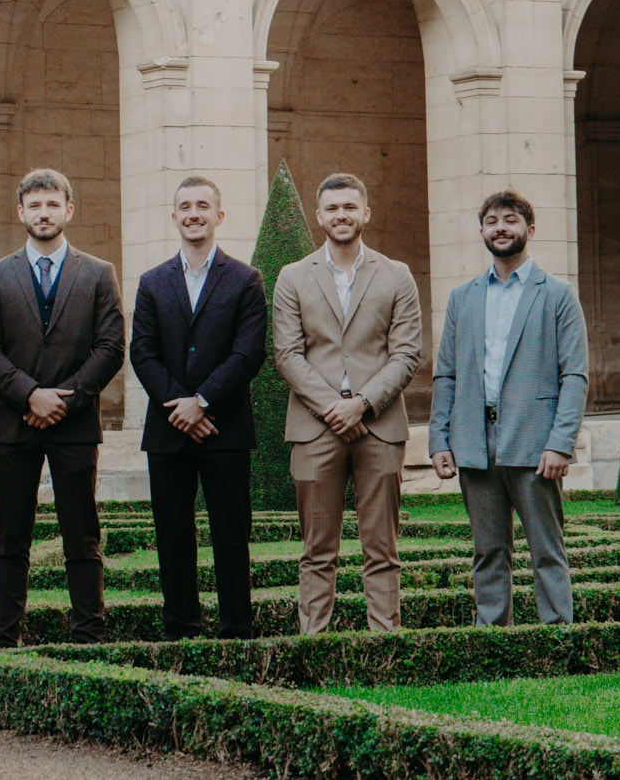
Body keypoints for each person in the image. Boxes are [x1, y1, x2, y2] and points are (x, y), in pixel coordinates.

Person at [0, 168, 125, 646]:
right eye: (34, 205)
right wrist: (28, 394)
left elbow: (111, 346)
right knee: (9, 539)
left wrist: (66, 399)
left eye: (52, 204)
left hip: (74, 424)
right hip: (13, 423)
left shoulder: (98, 273)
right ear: (21, 212)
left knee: (82, 537)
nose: (43, 213)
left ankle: (88, 637)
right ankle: (2, 639)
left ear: (68, 210)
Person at [271, 171, 423, 634]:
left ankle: (385, 644)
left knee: (383, 549)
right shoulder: (293, 276)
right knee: (317, 551)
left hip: (378, 426)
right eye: (333, 209)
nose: (342, 215)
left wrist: (362, 404)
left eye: (349, 207)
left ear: (365, 213)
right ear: (319, 217)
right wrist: (333, 407)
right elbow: (287, 353)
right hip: (315, 428)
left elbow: (407, 353)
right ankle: (313, 644)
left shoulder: (396, 275)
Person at [429, 189, 590, 626]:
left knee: (547, 552)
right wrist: (439, 439)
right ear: (481, 231)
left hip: (536, 445)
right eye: (492, 221)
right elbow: (446, 374)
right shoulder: (463, 297)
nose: (501, 228)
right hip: (475, 444)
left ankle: (558, 638)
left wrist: (561, 443)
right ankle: (492, 640)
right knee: (487, 552)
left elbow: (574, 375)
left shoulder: (557, 294)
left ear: (529, 230)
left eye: (511, 220)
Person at [128, 175, 269, 640]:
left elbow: (249, 352)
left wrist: (203, 401)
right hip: (168, 431)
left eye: (203, 206)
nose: (194, 213)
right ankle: (181, 629)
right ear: (174, 216)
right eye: (185, 206)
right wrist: (180, 407)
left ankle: (236, 631)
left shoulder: (246, 279)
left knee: (231, 536)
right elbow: (142, 352)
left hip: (225, 428)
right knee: (172, 537)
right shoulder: (151, 283)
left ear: (219, 216)